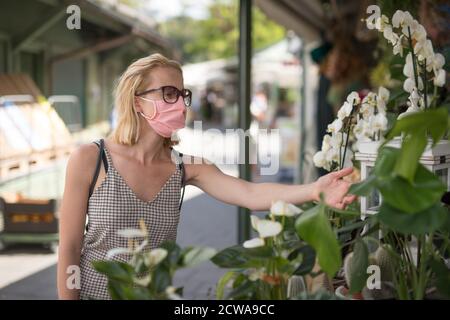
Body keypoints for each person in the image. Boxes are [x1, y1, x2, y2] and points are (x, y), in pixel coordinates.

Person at [57, 53, 357, 300]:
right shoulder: (91, 159)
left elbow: (250, 194)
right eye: (168, 93)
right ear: (137, 101)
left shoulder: (186, 167)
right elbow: (69, 248)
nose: (180, 103)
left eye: (182, 94)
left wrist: (315, 190)